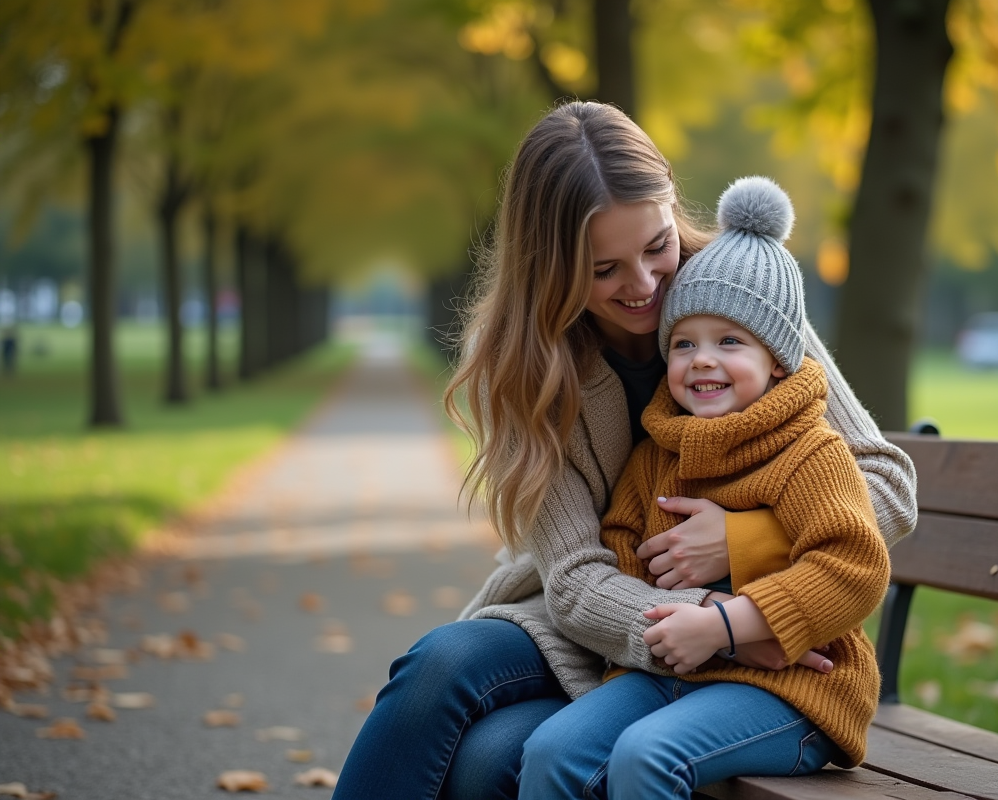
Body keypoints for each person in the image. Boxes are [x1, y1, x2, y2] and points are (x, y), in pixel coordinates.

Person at [331, 101, 916, 800]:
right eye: (604, 268)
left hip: (739, 625)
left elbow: (883, 482)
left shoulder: (732, 293)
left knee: (492, 760)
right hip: (589, 611)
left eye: (656, 246)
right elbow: (575, 578)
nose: (643, 286)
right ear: (549, 267)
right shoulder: (525, 366)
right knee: (439, 667)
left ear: (673, 212)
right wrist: (709, 626)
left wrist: (744, 545)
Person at [519, 176, 889, 798]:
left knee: (647, 755)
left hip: (795, 687)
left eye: (730, 341)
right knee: (552, 751)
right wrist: (678, 622)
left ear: (778, 357)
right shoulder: (658, 452)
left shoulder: (810, 451)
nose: (703, 359)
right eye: (683, 342)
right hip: (675, 668)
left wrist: (724, 627)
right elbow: (620, 546)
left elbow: (853, 565)